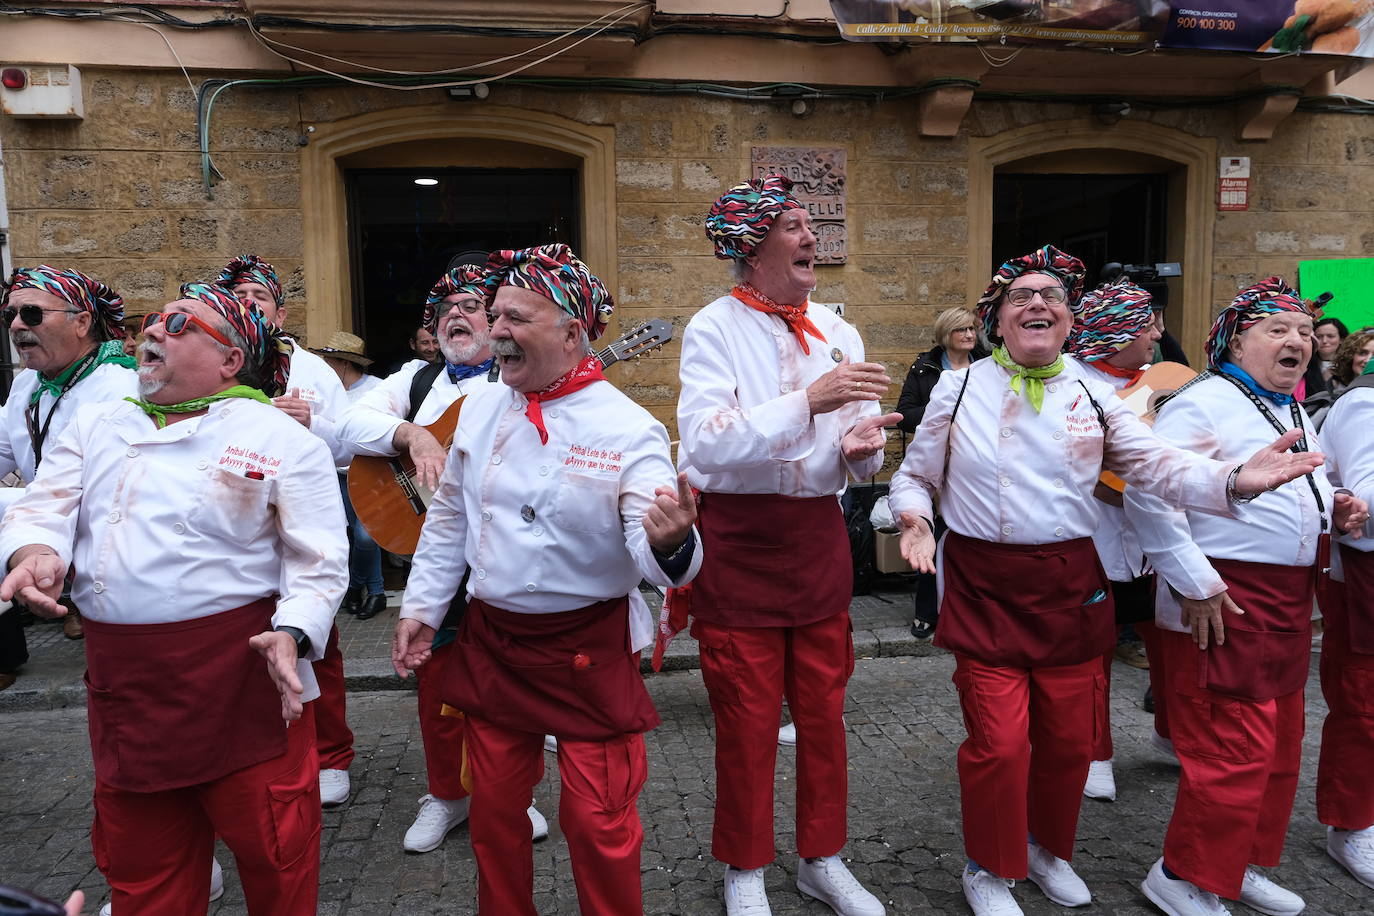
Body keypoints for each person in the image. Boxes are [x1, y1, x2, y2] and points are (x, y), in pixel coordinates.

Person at [889, 248, 1328, 916]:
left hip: (1070, 583)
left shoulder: (1097, 393)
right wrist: (914, 518)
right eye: (1020, 297)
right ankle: (989, 868)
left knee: (1068, 744)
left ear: (1069, 324)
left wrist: (1232, 480)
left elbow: (1156, 466)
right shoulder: (960, 386)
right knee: (1001, 745)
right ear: (997, 323)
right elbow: (915, 475)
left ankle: (1046, 851)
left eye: (1052, 297)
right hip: (984, 584)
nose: (1037, 303)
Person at [0, 281, 347, 916]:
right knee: (142, 868)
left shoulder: (281, 438)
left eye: (181, 324)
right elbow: (44, 503)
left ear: (231, 360)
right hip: (126, 687)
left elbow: (319, 561)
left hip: (240, 677)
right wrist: (35, 552)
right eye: (155, 320)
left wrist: (294, 630)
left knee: (276, 857)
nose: (154, 330)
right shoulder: (100, 420)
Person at [392, 243, 700, 916]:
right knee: (496, 816)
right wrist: (422, 605)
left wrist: (672, 543)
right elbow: (447, 516)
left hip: (586, 649)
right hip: (495, 643)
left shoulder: (628, 428)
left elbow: (647, 553)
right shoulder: (478, 407)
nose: (495, 330)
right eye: (495, 314)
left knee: (599, 823)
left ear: (571, 332)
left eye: (515, 318)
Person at [677, 175, 896, 916]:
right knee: (743, 719)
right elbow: (706, 450)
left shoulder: (839, 330)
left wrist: (864, 450)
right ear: (751, 246)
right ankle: (744, 867)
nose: (811, 237)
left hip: (817, 539)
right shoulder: (711, 328)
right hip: (739, 542)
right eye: (794, 225)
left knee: (825, 716)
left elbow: (857, 452)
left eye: (811, 225)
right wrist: (811, 401)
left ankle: (821, 859)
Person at [1125, 277, 1368, 916]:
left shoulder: (1286, 406)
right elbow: (1146, 490)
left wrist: (1333, 510)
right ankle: (1181, 876)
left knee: (1281, 749)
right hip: (1227, 598)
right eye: (1277, 330)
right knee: (1232, 749)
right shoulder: (1200, 402)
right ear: (1236, 339)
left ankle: (1239, 865)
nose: (1298, 341)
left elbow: (1292, 491)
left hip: (1288, 603)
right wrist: (1195, 583)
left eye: (1304, 333)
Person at [338, 261, 549, 852]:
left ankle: (515, 795)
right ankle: (447, 795)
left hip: (502, 557)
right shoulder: (418, 380)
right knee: (435, 685)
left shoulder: (525, 379)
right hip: (436, 553)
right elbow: (342, 425)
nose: (456, 314)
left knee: (510, 684)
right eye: (445, 308)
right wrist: (411, 435)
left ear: (499, 321)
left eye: (471, 305)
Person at [215, 254, 355, 808]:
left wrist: (310, 425)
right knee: (247, 651)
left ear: (280, 308)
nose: (250, 305)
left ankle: (332, 754)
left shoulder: (313, 370)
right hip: (237, 532)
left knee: (317, 642)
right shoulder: (212, 364)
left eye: (259, 296)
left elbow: (347, 447)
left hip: (300, 524)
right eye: (239, 297)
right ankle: (261, 752)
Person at [0, 266, 138, 683]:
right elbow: (5, 448)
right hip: (52, 542)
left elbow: (105, 492)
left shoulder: (121, 388)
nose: (18, 325)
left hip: (117, 563)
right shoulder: (28, 385)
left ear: (81, 322)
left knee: (129, 686)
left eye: (33, 314)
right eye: (10, 316)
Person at [1313, 344, 1374, 892]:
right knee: (1363, 705)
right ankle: (1352, 823)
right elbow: (1363, 490)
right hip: (1364, 570)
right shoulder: (1364, 405)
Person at [895, 306, 988, 640]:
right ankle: (926, 611)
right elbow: (904, 414)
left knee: (966, 536)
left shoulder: (987, 368)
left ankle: (965, 608)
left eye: (972, 330)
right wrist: (943, 409)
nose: (968, 336)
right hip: (935, 462)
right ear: (946, 334)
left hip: (974, 462)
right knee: (930, 533)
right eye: (961, 330)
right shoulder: (926, 368)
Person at [311, 331, 386, 621]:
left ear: (344, 363)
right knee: (346, 537)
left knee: (366, 537)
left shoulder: (377, 389)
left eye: (329, 359)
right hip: (335, 475)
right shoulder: (325, 391)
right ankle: (374, 593)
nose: (324, 364)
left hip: (370, 473)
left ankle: (358, 588)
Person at [1305, 316, 1349, 396]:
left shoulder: (1353, 365)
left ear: (1341, 340)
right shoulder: (1304, 365)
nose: (1324, 341)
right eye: (1319, 337)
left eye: (1330, 336)